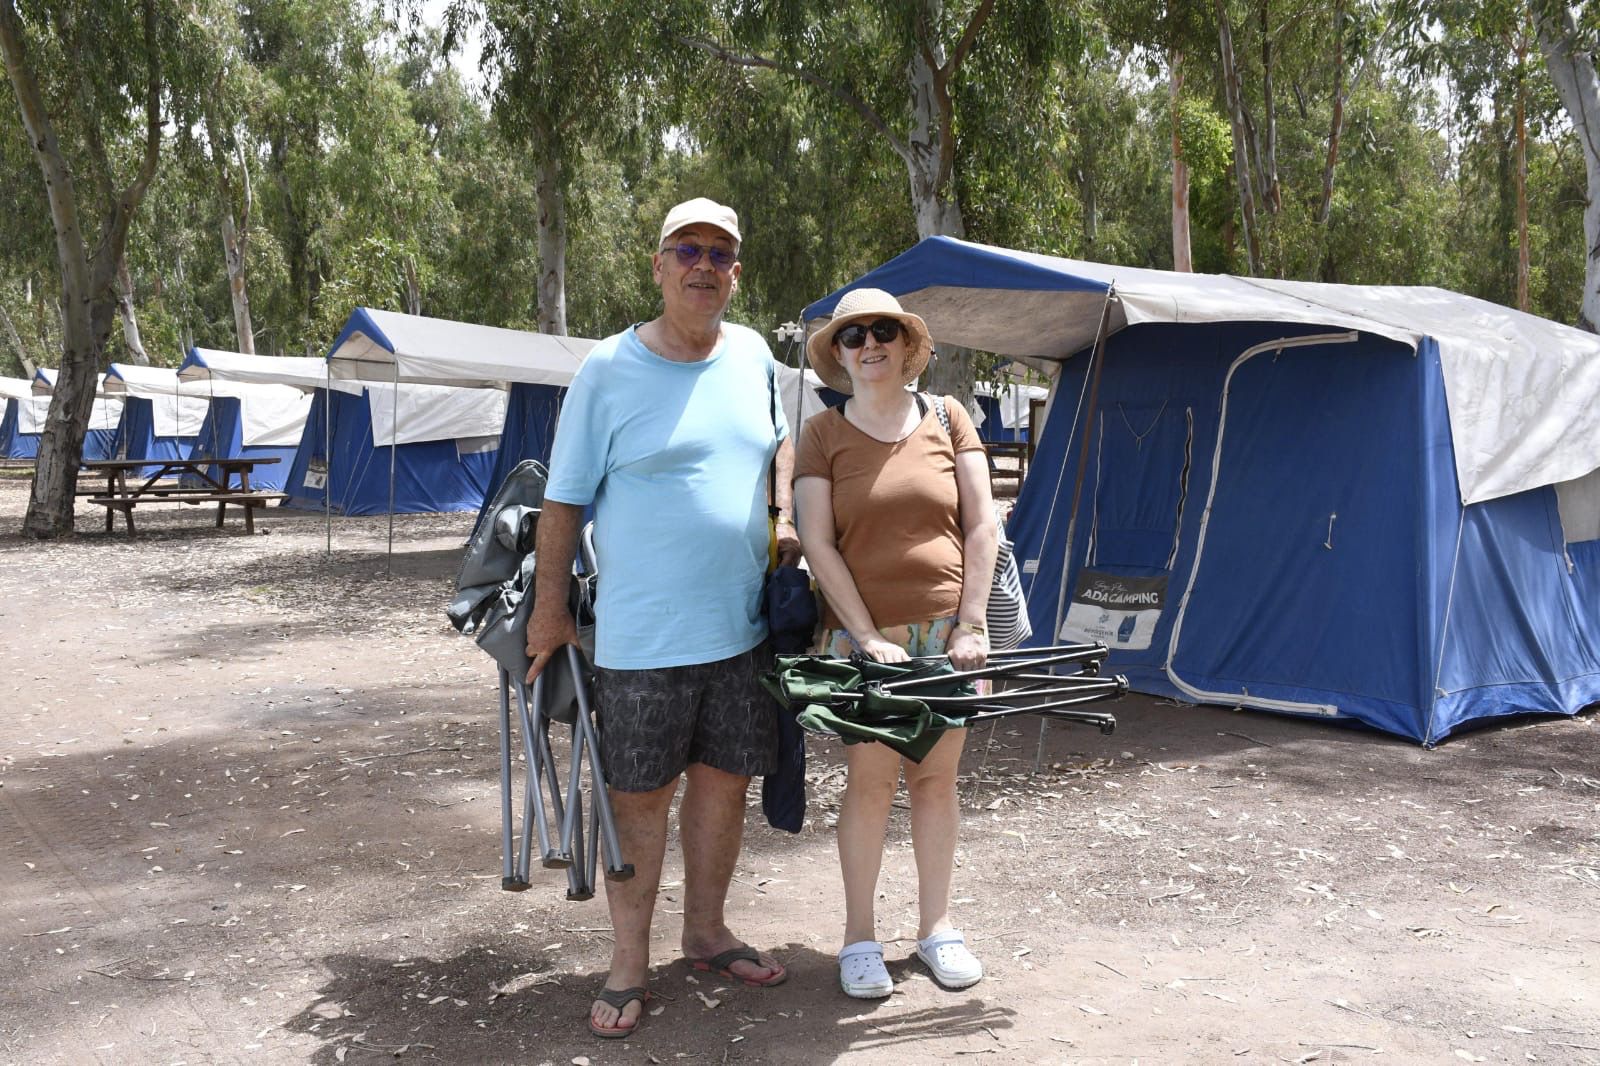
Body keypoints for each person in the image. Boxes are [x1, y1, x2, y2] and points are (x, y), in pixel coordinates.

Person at [524, 197, 799, 1039]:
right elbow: (562, 503)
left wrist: (783, 512)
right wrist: (550, 615)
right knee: (637, 800)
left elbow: (780, 443)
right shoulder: (608, 370)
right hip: (642, 643)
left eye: (720, 253)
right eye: (688, 250)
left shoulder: (753, 354)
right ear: (658, 265)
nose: (703, 266)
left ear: (735, 273)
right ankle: (629, 962)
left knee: (723, 789)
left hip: (743, 630)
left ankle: (707, 932)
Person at [791, 287, 997, 999]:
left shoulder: (949, 416)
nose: (869, 344)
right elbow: (817, 542)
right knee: (871, 785)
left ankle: (937, 928)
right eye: (854, 336)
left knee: (938, 780)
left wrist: (971, 624)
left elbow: (981, 525)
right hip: (865, 647)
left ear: (908, 346)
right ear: (839, 353)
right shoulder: (822, 435)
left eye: (884, 331)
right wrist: (864, 634)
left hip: (947, 637)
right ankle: (858, 939)